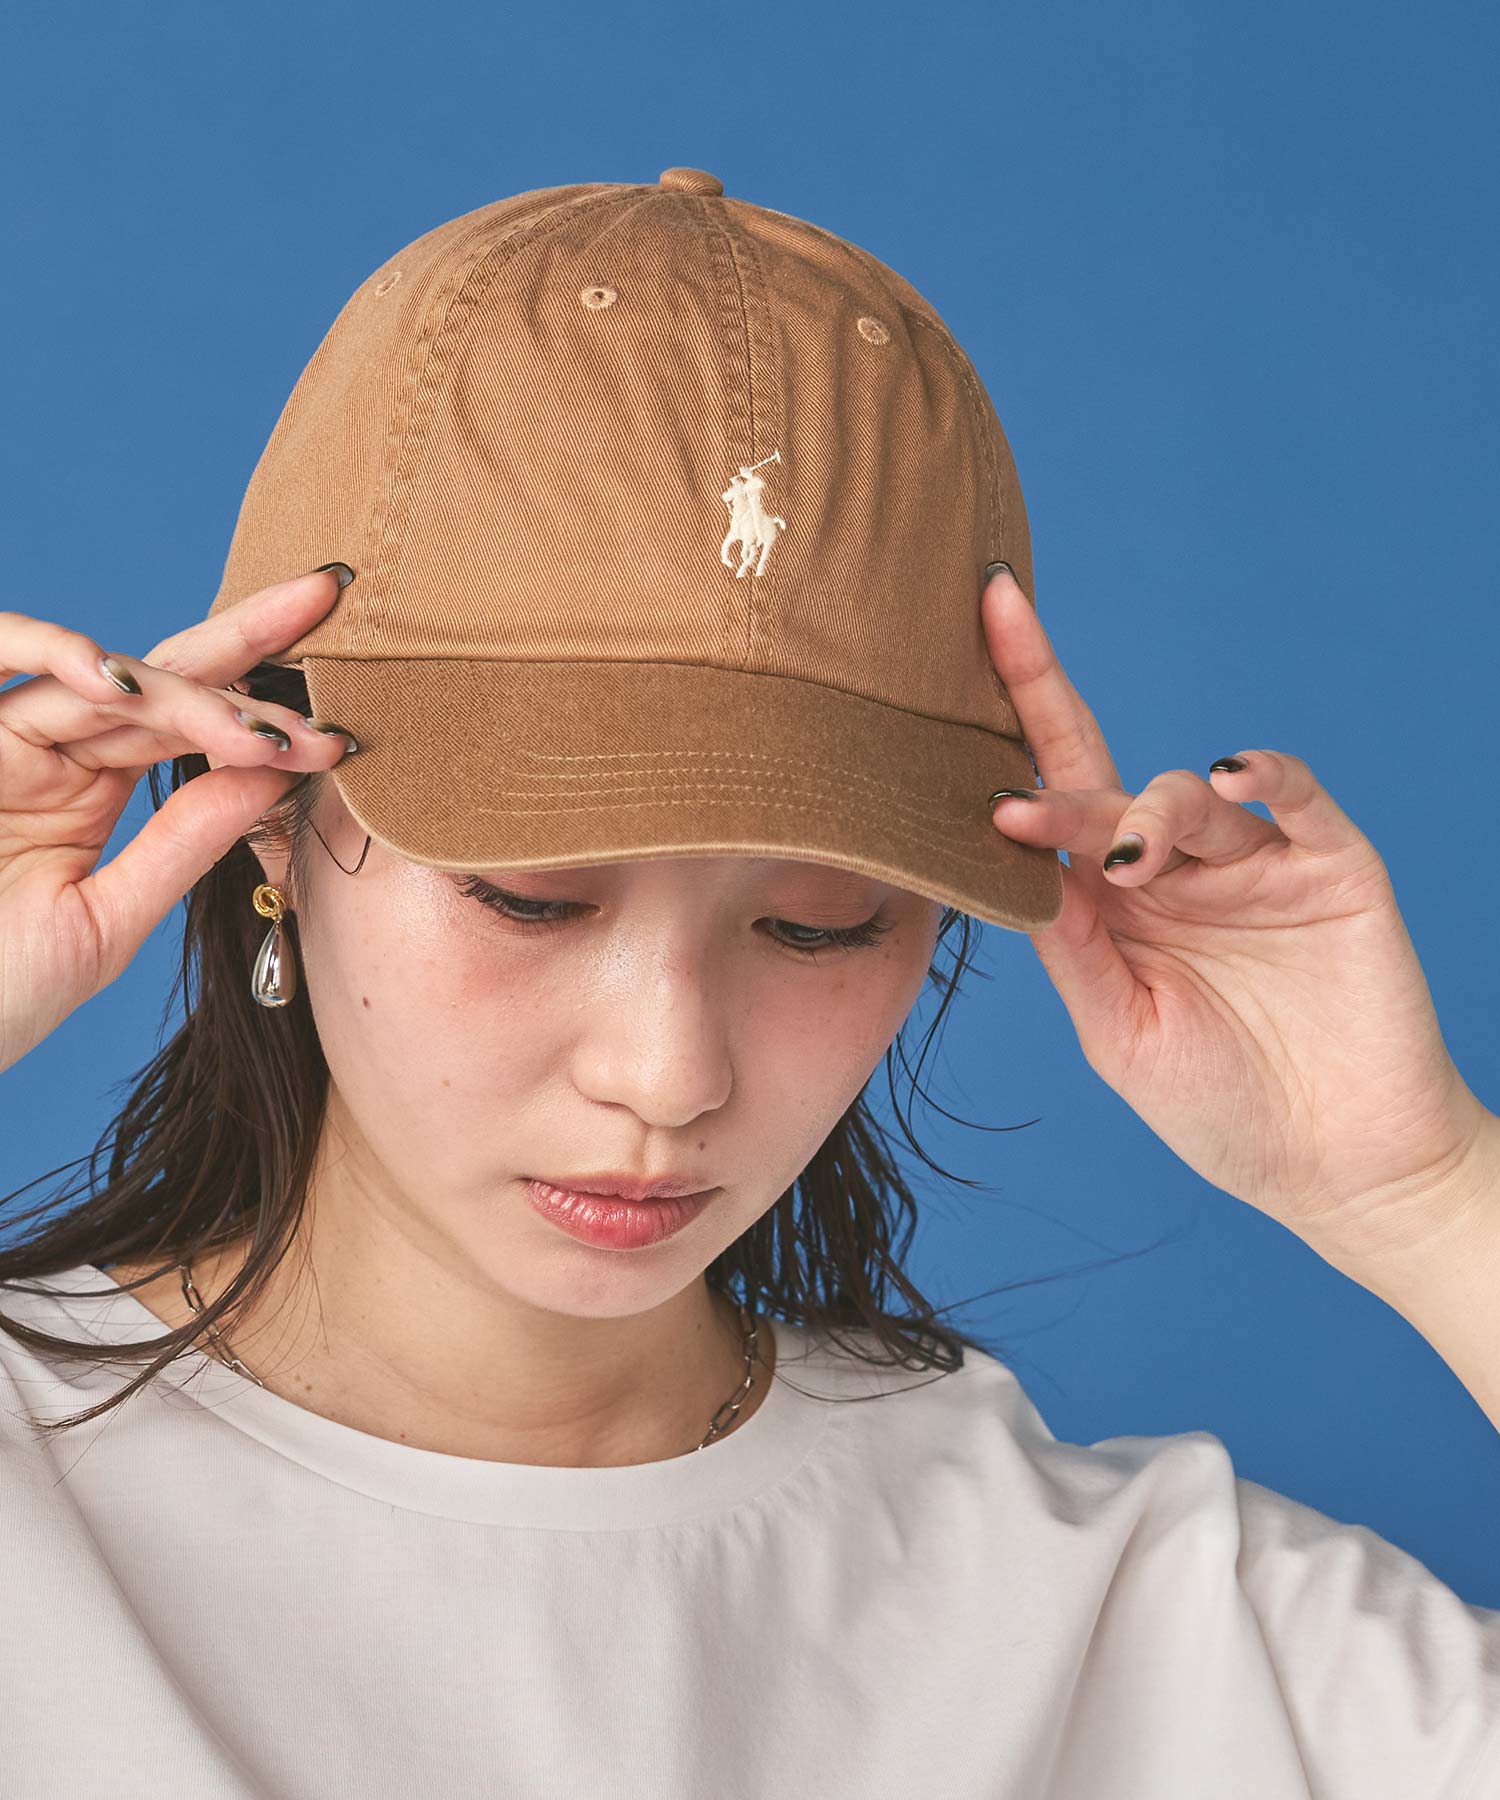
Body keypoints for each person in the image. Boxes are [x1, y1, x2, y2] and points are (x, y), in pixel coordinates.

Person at [2, 171, 1499, 1797]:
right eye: (531, 894)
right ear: (264, 815)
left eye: (820, 925)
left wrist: (1422, 1194)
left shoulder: (1143, 1622)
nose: (669, 1074)